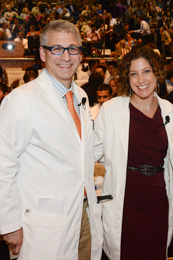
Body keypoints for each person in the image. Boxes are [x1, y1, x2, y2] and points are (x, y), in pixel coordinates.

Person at [0, 20, 102, 260]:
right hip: (42, 223)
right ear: (43, 54)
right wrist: (9, 224)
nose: (66, 56)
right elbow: (3, 166)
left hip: (84, 216)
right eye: (57, 48)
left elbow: (81, 150)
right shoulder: (21, 100)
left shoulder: (81, 95)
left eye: (73, 48)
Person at [94, 47, 173, 260]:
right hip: (126, 201)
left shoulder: (170, 110)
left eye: (146, 71)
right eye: (133, 73)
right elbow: (88, 154)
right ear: (126, 78)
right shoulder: (111, 110)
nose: (141, 80)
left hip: (159, 201)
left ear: (157, 72)